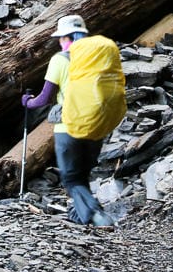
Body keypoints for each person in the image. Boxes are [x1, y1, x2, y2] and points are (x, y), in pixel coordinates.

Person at [21, 14, 114, 226]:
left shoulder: (60, 60)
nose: (59, 42)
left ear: (66, 38)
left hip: (69, 129)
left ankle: (97, 216)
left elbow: (45, 98)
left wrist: (27, 102)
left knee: (71, 178)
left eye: (60, 38)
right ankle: (81, 215)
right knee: (81, 176)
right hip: (96, 127)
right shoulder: (97, 59)